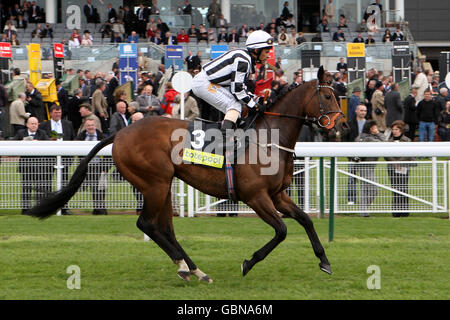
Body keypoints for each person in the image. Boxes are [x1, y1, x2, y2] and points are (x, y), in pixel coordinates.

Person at [191, 30, 276, 146]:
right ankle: (224, 141)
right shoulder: (243, 60)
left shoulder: (245, 58)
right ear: (256, 50)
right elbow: (237, 90)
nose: (268, 55)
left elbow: (241, 87)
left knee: (236, 106)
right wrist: (254, 105)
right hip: (203, 83)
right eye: (266, 51)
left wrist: (256, 99)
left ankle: (229, 134)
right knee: (234, 106)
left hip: (206, 82)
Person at [38, 104, 76, 215]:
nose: (58, 114)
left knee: (64, 184)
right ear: (51, 113)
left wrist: (71, 157)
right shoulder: (44, 125)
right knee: (46, 183)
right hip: (49, 158)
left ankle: (64, 207)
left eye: (59, 113)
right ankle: (48, 207)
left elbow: (72, 139)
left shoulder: (68, 124)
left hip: (64, 158)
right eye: (55, 112)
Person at [14, 117, 51, 215]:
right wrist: (21, 143)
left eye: (36, 123)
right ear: (27, 124)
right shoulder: (20, 133)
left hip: (39, 165)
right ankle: (25, 210)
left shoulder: (42, 133)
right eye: (32, 123)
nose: (34, 125)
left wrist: (38, 143)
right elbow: (13, 143)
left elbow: (48, 143)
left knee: (39, 188)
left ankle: (38, 209)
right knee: (26, 188)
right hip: (26, 165)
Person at [76, 119, 108, 215]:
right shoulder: (81, 137)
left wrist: (105, 168)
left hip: (99, 166)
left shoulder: (101, 136)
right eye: (88, 125)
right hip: (86, 166)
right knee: (91, 187)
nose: (90, 127)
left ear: (95, 126)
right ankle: (97, 208)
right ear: (85, 127)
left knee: (100, 188)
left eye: (92, 125)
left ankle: (100, 209)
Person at [355, 120, 386, 216]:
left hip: (366, 165)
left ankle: (363, 211)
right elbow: (384, 143)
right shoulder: (369, 138)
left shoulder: (361, 136)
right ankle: (363, 210)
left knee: (365, 189)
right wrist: (379, 134)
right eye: (375, 127)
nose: (377, 129)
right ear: (370, 128)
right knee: (374, 190)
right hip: (366, 166)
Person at [385, 120, 414, 217]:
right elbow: (386, 154)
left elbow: (409, 153)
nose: (394, 131)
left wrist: (399, 162)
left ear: (401, 130)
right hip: (392, 167)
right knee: (395, 187)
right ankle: (396, 210)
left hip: (403, 166)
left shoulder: (407, 140)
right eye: (393, 129)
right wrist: (394, 162)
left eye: (396, 129)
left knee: (403, 187)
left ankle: (404, 210)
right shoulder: (388, 141)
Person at [343, 104, 367, 205]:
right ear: (356, 111)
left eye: (365, 111)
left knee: (365, 179)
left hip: (365, 156)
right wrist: (350, 155)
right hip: (352, 155)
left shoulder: (368, 124)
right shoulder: (349, 123)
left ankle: (365, 200)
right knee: (351, 178)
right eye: (361, 110)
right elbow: (345, 139)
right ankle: (351, 199)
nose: (363, 112)